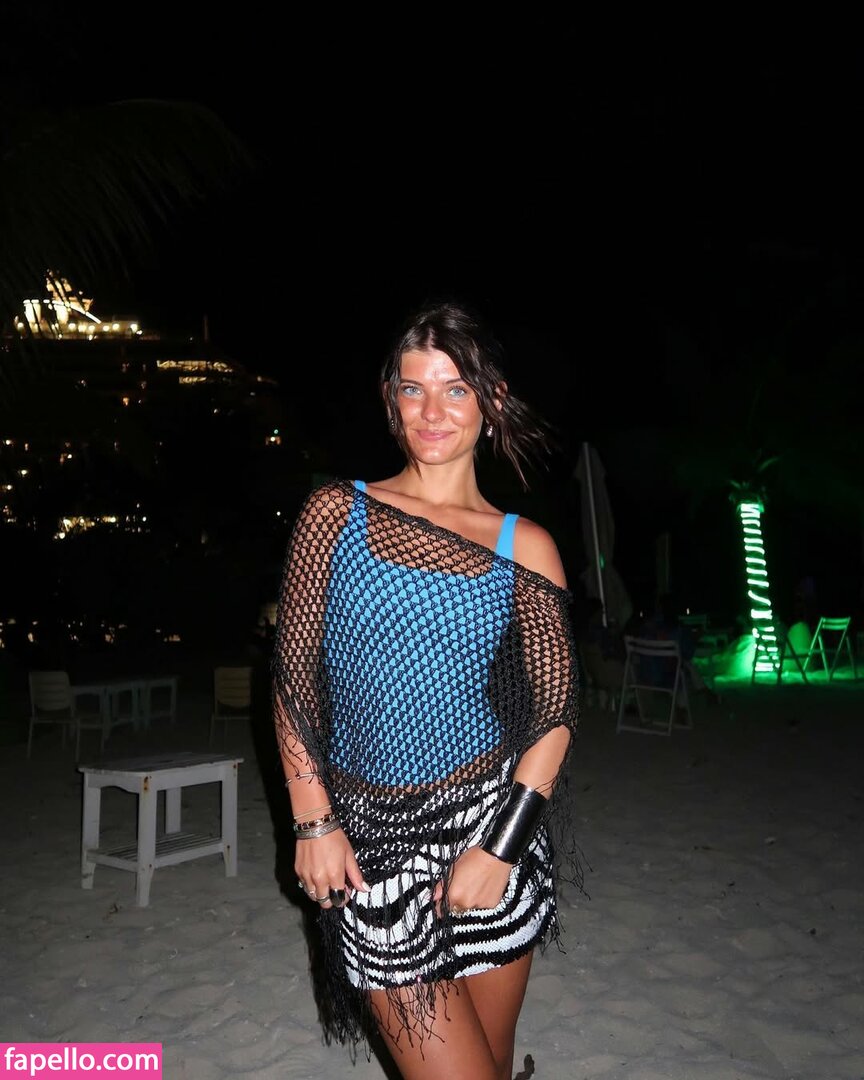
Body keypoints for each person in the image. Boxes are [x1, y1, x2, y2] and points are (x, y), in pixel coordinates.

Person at [272, 300, 581, 1079]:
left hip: (489, 829)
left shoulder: (525, 545)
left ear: (491, 400)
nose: (432, 411)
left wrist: (500, 847)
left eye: (455, 389)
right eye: (413, 389)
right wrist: (313, 820)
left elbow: (555, 712)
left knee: (493, 1063)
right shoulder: (335, 513)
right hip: (369, 847)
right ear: (391, 400)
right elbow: (293, 674)